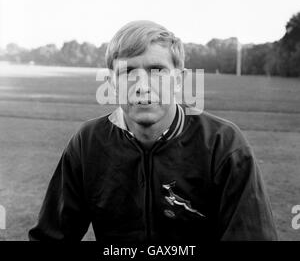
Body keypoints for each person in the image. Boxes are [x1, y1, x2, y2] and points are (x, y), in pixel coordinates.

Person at [28, 20, 278, 242]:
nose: (142, 86)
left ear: (178, 79)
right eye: (127, 72)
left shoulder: (224, 145)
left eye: (157, 71)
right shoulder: (87, 144)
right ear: (111, 82)